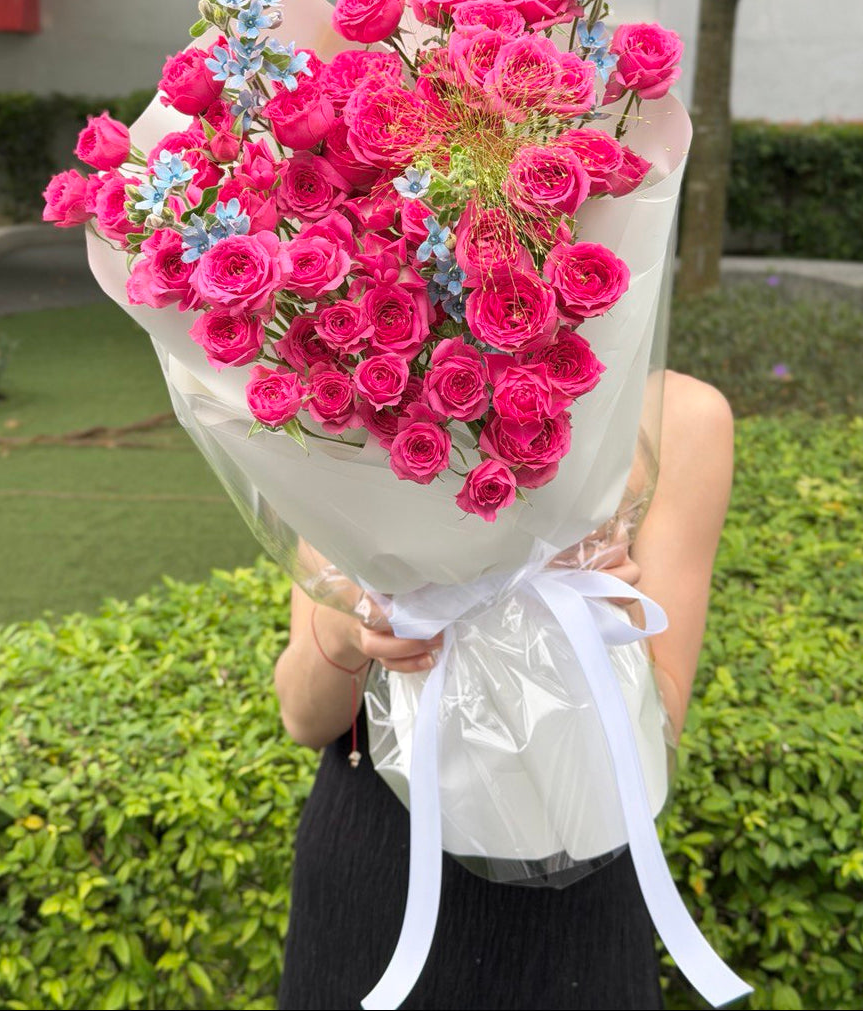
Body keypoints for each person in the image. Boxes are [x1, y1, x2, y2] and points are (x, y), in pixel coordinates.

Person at [274, 369, 734, 1011]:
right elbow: (303, 716)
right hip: (380, 859)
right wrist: (348, 623)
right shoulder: (365, 404)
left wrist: (593, 608)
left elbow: (662, 724)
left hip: (580, 864)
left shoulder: (677, 415)